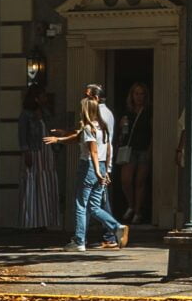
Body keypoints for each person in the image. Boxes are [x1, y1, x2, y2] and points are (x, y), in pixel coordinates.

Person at [64, 84, 127, 251]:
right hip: (101, 164)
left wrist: (100, 171)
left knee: (80, 204)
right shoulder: (103, 127)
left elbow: (92, 150)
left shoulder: (88, 127)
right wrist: (106, 168)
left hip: (90, 166)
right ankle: (115, 226)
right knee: (94, 206)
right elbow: (107, 148)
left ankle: (79, 241)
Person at [17, 85, 62, 233]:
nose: (45, 98)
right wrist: (26, 151)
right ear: (36, 98)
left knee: (46, 185)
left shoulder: (46, 112)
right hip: (35, 151)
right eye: (42, 96)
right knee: (33, 184)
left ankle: (44, 220)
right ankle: (32, 220)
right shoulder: (26, 115)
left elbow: (51, 129)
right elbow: (23, 135)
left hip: (47, 151)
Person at [114, 82, 150, 228]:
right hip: (128, 149)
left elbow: (153, 131)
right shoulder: (126, 111)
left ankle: (137, 212)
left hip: (143, 149)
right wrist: (121, 126)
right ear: (132, 95)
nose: (139, 97)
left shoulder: (149, 111)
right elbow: (120, 133)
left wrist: (151, 150)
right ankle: (131, 205)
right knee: (126, 180)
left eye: (142, 94)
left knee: (140, 182)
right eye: (136, 93)